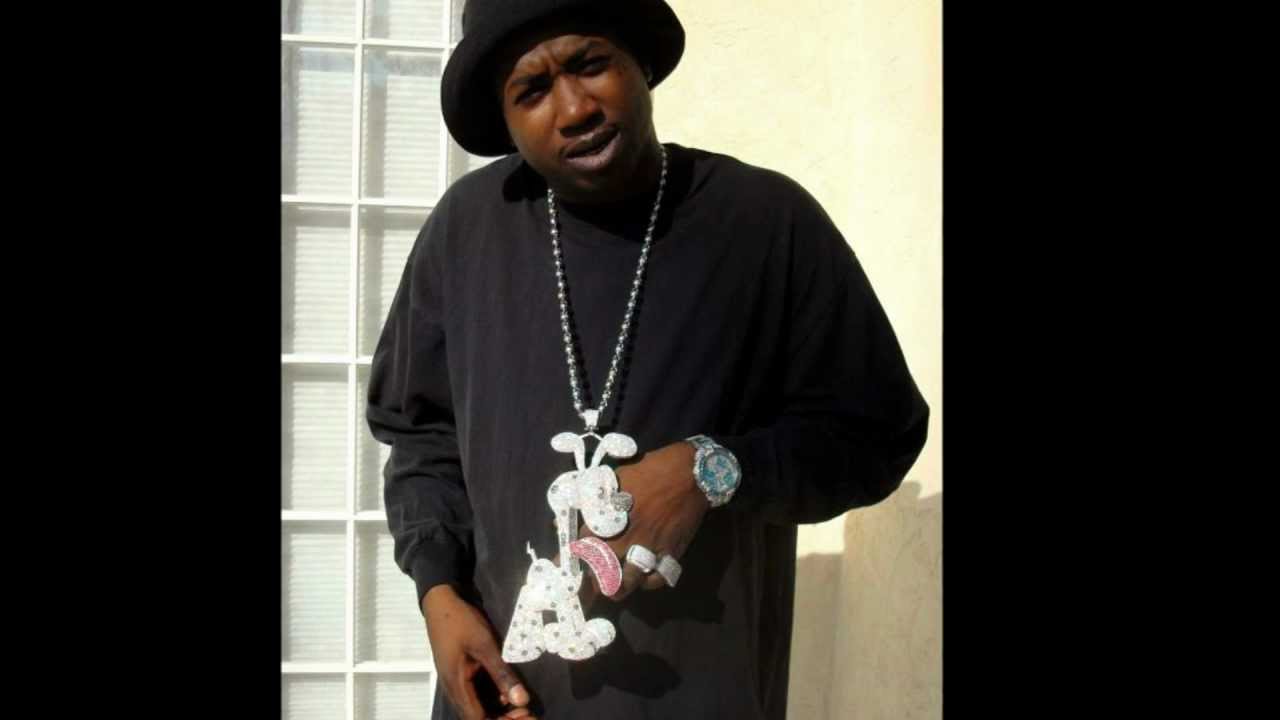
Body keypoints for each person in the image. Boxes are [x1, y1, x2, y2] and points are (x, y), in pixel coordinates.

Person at [366, 1, 929, 718]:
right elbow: (420, 436)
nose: (574, 108)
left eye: (591, 64)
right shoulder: (466, 231)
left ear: (639, 61)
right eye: (532, 91)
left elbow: (876, 431)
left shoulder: (764, 222)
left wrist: (710, 469)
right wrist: (439, 594)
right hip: (507, 696)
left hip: (705, 697)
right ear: (505, 121)